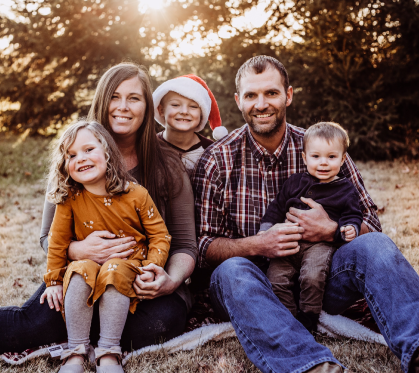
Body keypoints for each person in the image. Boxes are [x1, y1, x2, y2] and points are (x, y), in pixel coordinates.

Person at [193, 55, 419, 373]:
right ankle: (311, 366)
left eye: (271, 93)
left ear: (289, 94)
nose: (261, 104)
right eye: (251, 95)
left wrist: (331, 229)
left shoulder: (322, 147)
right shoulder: (218, 160)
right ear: (238, 100)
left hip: (323, 278)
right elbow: (203, 246)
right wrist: (259, 244)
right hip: (252, 286)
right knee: (232, 271)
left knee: (377, 246)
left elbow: (371, 223)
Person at [0, 63, 198, 360]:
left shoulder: (168, 166)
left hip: (142, 280)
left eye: (134, 98)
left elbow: (185, 245)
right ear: (102, 101)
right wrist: (79, 250)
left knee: (158, 325)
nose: (123, 107)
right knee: (32, 326)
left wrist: (168, 280)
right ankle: (81, 331)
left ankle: (89, 335)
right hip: (83, 277)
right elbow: (47, 237)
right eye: (115, 97)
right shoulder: (75, 159)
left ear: (147, 106)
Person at [40, 120, 171, 371]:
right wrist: (54, 281)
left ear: (108, 152)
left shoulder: (135, 194)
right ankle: (77, 351)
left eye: (89, 150)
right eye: (72, 155)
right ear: (65, 165)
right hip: (86, 267)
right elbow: (57, 241)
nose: (81, 158)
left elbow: (159, 236)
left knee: (114, 270)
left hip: (127, 268)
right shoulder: (69, 198)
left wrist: (152, 267)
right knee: (79, 271)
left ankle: (109, 352)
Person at [259, 121, 363, 333]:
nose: (323, 163)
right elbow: (277, 207)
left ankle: (309, 317)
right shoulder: (294, 182)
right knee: (276, 279)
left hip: (320, 245)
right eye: (316, 157)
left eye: (331, 157)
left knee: (313, 276)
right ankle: (288, 318)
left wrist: (350, 227)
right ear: (305, 158)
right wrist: (266, 229)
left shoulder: (345, 189)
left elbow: (354, 213)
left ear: (343, 159)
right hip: (288, 243)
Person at [152, 74, 228, 176]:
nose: (184, 111)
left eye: (193, 106)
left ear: (202, 114)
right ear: (161, 110)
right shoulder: (150, 147)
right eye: (175, 105)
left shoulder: (211, 151)